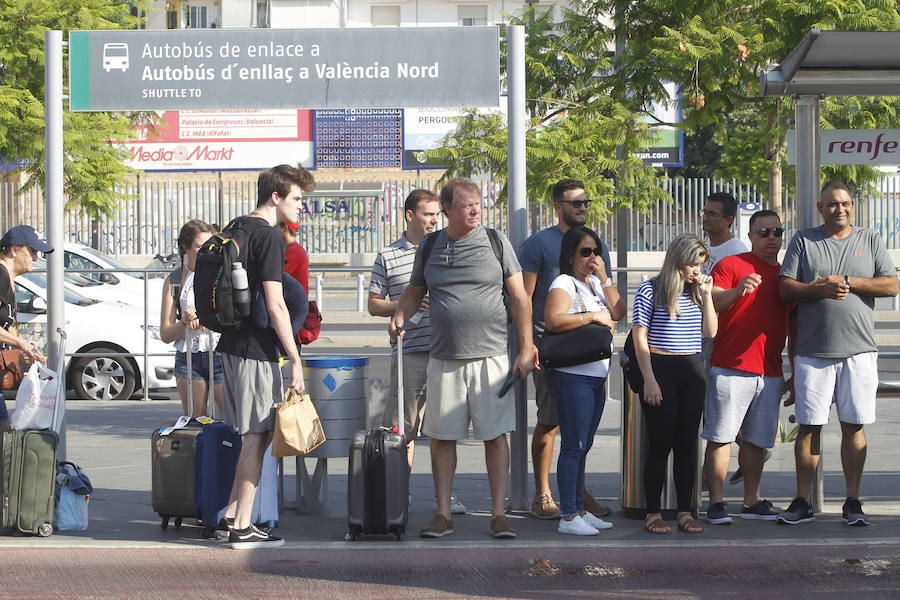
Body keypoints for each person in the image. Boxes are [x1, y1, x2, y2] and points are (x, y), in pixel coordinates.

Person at [389, 177, 539, 539]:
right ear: (448, 210)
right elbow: (414, 291)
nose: (475, 210)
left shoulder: (495, 241)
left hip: (490, 357)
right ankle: (443, 513)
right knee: (441, 437)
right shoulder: (430, 246)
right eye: (467, 205)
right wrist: (399, 315)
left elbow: (520, 297)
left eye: (478, 204)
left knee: (494, 435)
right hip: (443, 358)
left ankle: (499, 513)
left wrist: (526, 346)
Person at [777, 181, 898, 527]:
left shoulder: (870, 239)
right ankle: (803, 500)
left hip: (858, 351)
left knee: (853, 426)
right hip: (813, 352)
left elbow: (891, 284)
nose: (839, 209)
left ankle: (852, 500)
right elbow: (785, 287)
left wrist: (851, 280)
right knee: (809, 427)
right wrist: (818, 289)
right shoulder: (804, 240)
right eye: (832, 204)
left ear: (852, 207)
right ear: (820, 207)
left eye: (845, 203)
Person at [215, 163, 314, 548]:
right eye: (297, 199)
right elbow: (276, 306)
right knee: (258, 435)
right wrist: (295, 356)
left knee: (249, 435)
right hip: (256, 350)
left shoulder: (234, 228)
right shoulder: (270, 239)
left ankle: (229, 517)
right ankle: (243, 525)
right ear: (276, 197)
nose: (301, 207)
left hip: (229, 346)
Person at [368, 190, 469, 511]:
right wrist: (403, 305)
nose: (434, 220)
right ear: (409, 215)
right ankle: (400, 492)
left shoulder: (448, 248)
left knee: (445, 430)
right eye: (428, 214)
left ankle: (445, 498)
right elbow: (373, 304)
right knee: (403, 429)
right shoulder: (388, 255)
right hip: (410, 351)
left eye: (437, 214)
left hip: (446, 352)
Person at [519, 178, 613, 521]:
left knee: (580, 429)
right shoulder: (538, 244)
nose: (582, 208)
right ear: (557, 206)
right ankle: (543, 494)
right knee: (550, 422)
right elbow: (524, 298)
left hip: (590, 354)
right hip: (553, 351)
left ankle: (577, 492)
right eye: (575, 203)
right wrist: (529, 345)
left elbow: (605, 294)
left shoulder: (592, 243)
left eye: (585, 202)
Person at [701, 210, 794, 525]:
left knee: (757, 440)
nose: (772, 238)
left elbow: (793, 326)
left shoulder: (785, 276)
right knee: (721, 436)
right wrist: (738, 291)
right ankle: (715, 503)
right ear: (750, 235)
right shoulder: (732, 265)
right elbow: (711, 302)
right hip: (730, 367)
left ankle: (751, 501)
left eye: (777, 232)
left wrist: (792, 371)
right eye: (764, 232)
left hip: (769, 372)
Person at [632, 234, 717, 535]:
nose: (698, 270)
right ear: (679, 261)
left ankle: (685, 510)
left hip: (691, 367)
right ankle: (652, 511)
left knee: (687, 444)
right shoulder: (651, 289)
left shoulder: (697, 292)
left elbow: (710, 331)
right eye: (693, 264)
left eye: (701, 265)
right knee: (660, 443)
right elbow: (639, 337)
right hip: (661, 366)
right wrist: (650, 379)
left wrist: (706, 297)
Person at [543, 226, 624, 535]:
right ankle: (567, 515)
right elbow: (554, 320)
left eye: (596, 251)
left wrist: (604, 278)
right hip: (572, 376)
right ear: (571, 255)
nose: (592, 257)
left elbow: (618, 310)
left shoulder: (592, 283)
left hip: (595, 377)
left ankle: (577, 507)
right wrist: (592, 317)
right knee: (574, 446)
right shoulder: (564, 282)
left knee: (584, 444)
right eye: (586, 252)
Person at [160, 219, 223, 418]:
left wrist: (205, 315)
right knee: (196, 422)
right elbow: (166, 333)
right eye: (200, 246)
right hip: (189, 356)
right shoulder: (175, 280)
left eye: (210, 245)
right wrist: (185, 321)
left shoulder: (221, 275)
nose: (206, 251)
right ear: (185, 248)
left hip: (220, 352)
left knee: (234, 420)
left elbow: (233, 314)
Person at [0, 226, 52, 429]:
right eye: (32, 251)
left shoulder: (8, 278)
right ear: (14, 249)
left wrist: (28, 347)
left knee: (5, 435)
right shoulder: (1, 275)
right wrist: (21, 343)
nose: (36, 257)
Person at [701, 191, 747, 275]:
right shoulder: (704, 247)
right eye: (705, 212)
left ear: (728, 220)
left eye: (712, 214)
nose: (705, 218)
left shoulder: (738, 253)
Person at [277, 221, 309, 294]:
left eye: (277, 228)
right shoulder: (293, 248)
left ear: (285, 228)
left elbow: (278, 275)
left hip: (295, 299)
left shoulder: (294, 250)